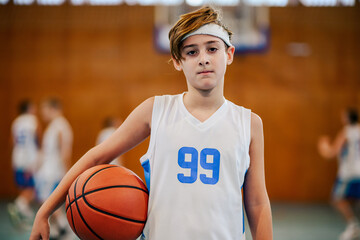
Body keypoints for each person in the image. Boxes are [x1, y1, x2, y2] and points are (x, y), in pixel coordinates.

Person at [30, 6, 273, 240]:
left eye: (212, 48)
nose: (203, 59)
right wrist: (45, 211)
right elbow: (95, 158)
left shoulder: (248, 123)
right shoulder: (156, 110)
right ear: (178, 61)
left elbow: (257, 202)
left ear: (229, 54)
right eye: (191, 52)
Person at [35, 97, 73, 239]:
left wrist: (67, 172)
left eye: (44, 109)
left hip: (53, 171)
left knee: (49, 201)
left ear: (53, 109)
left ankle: (64, 227)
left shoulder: (61, 126)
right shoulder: (53, 126)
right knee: (46, 200)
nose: (42, 112)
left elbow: (64, 152)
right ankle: (57, 227)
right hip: (47, 170)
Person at [318, 108, 360, 240]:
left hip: (348, 173)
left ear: (347, 118)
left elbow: (331, 153)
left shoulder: (346, 132)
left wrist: (323, 145)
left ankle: (352, 225)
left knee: (337, 199)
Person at [8, 99, 41, 227]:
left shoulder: (16, 122)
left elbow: (12, 142)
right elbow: (38, 138)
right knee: (32, 189)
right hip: (29, 159)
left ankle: (22, 215)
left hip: (17, 158)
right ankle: (18, 205)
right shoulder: (33, 120)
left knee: (23, 188)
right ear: (29, 108)